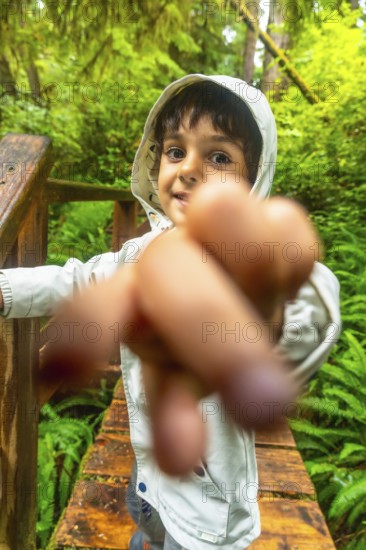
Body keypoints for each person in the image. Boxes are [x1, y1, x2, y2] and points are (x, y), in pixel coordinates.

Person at [0, 74, 341, 550]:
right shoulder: (143, 252)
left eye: (219, 157)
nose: (189, 168)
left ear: (254, 179)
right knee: (145, 531)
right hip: (148, 472)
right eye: (175, 150)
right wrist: (6, 290)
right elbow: (81, 278)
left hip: (207, 512)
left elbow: (304, 320)